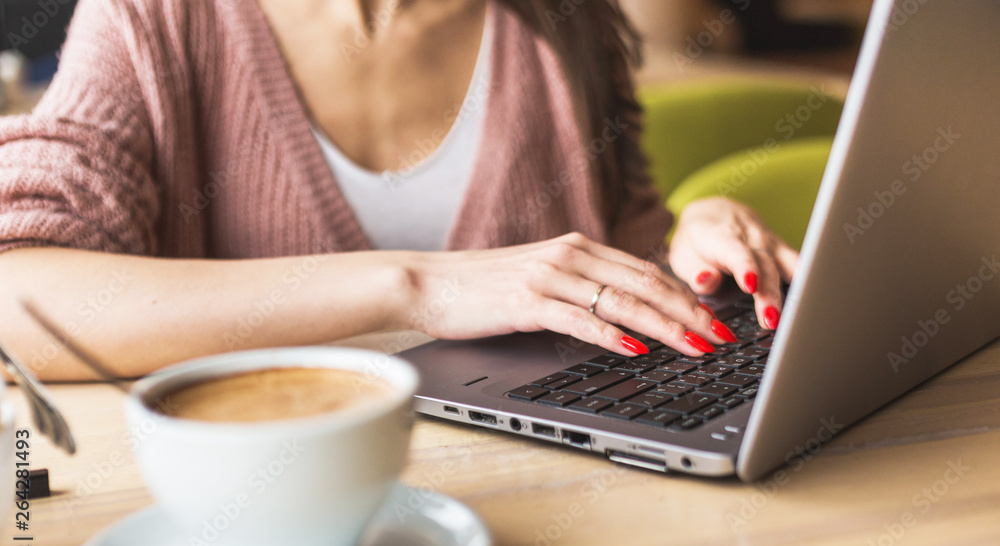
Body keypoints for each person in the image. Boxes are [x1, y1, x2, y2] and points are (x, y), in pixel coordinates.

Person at [0, 0, 796, 381]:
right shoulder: (155, 22)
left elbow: (614, 256)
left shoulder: (563, 21)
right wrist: (415, 287)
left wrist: (690, 246)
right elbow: (17, 297)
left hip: (547, 514)